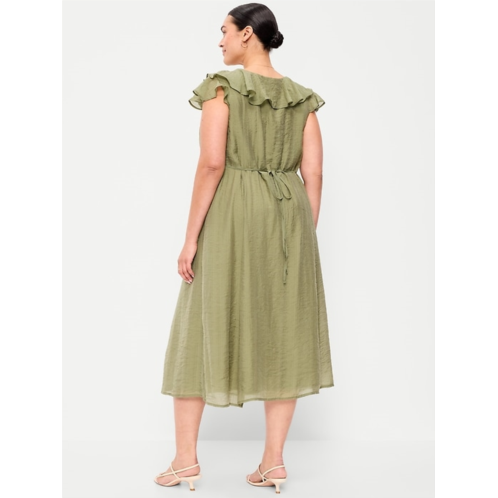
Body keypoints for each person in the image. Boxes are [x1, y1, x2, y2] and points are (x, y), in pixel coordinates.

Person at [154, 3, 334, 493]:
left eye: (224, 31)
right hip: (289, 218)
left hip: (233, 213)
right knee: (286, 332)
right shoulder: (302, 98)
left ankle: (185, 461)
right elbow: (314, 173)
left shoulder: (222, 87)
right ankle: (273, 463)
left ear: (248, 34)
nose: (220, 41)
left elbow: (212, 163)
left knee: (200, 323)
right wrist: (302, 234)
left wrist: (190, 238)